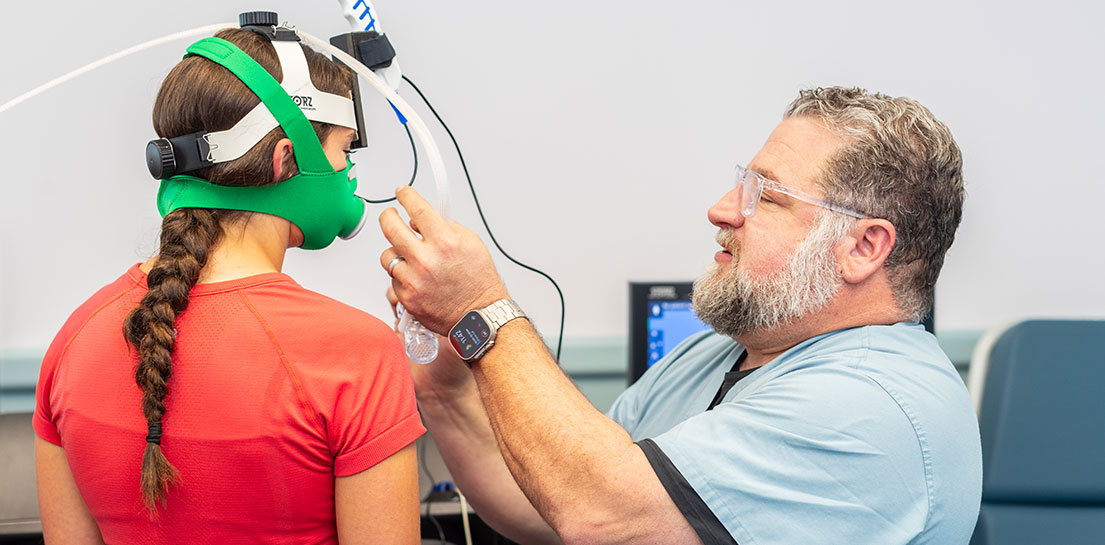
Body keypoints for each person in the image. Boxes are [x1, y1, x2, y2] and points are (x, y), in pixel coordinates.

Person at [379, 87, 982, 544]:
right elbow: (549, 496)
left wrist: (482, 312)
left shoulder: (874, 407)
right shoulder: (719, 354)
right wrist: (446, 391)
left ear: (863, 248)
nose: (721, 210)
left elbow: (599, 512)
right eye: (739, 185)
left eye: (765, 196)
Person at [34, 27, 424, 544]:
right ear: (286, 159)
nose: (348, 170)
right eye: (345, 148)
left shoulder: (73, 341)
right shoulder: (356, 355)